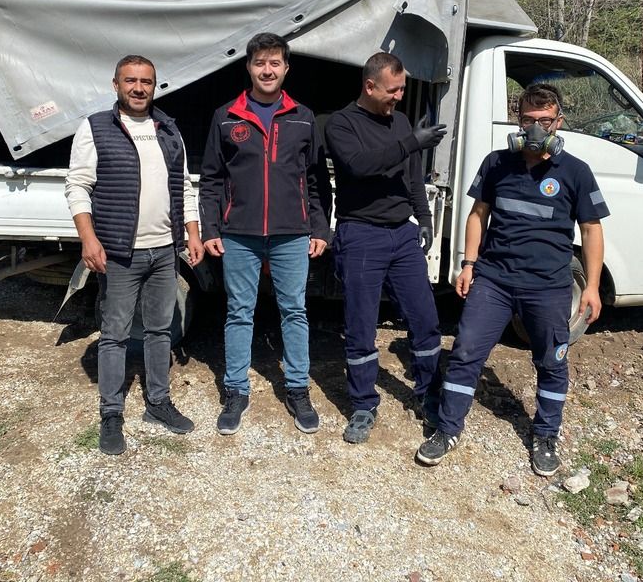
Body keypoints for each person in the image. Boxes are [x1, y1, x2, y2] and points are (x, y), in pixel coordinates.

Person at [415, 82, 609, 476]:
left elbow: (591, 230)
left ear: (559, 122)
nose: (536, 129)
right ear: (517, 121)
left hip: (550, 286)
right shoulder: (497, 163)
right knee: (466, 352)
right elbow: (477, 215)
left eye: (544, 121)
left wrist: (590, 286)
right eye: (528, 120)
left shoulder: (576, 172)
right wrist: (469, 264)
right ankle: (447, 428)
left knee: (551, 361)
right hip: (494, 281)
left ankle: (546, 436)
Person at [65, 54, 204, 456]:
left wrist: (192, 234)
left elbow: (184, 186)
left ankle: (158, 404)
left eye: (146, 81)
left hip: (164, 250)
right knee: (115, 334)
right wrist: (88, 240)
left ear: (154, 86)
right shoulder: (96, 128)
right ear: (116, 84)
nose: (139, 88)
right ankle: (111, 414)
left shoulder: (168, 130)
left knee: (161, 330)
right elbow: (77, 187)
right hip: (120, 252)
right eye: (131, 81)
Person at [199, 32, 331, 436]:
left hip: (292, 233)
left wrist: (320, 227)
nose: (267, 70)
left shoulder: (304, 117)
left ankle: (296, 388)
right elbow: (211, 180)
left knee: (295, 311)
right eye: (260, 63)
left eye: (275, 62)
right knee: (240, 312)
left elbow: (316, 181)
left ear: (286, 68)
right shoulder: (226, 116)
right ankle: (236, 390)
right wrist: (210, 227)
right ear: (249, 68)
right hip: (239, 233)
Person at [324, 52, 448, 444]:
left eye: (402, 90)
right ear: (370, 86)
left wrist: (424, 218)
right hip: (361, 234)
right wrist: (411, 142)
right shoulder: (342, 124)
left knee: (425, 317)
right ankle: (363, 404)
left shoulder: (401, 122)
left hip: (401, 234)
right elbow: (362, 165)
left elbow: (412, 177)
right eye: (393, 90)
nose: (398, 97)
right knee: (361, 324)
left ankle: (429, 393)